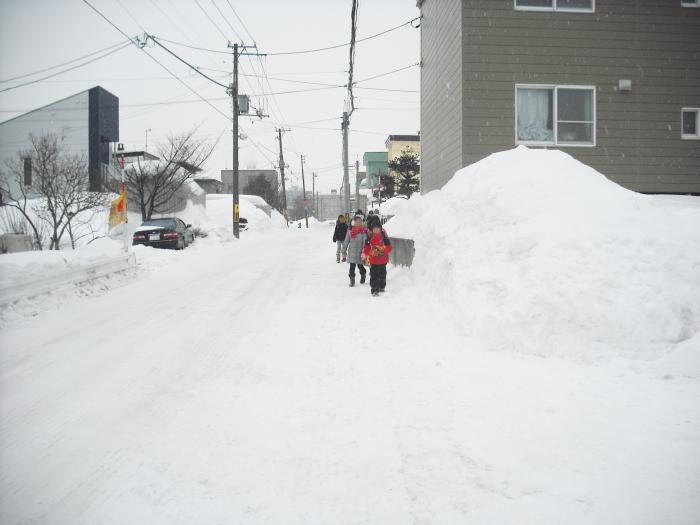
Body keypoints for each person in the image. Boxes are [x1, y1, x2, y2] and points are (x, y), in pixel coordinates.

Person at [363, 223, 392, 296]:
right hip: (373, 261)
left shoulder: (384, 238)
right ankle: (374, 289)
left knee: (382, 275)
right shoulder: (369, 238)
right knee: (374, 275)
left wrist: (382, 249)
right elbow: (366, 249)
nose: (376, 230)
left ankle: (382, 286)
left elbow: (389, 248)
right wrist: (371, 252)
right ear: (372, 230)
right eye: (374, 228)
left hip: (383, 261)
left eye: (378, 228)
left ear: (380, 229)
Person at [341, 216, 368, 287]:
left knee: (360, 267)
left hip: (360, 254)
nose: (359, 223)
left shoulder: (363, 232)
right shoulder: (350, 232)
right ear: (354, 222)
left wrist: (364, 252)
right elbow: (346, 242)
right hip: (352, 253)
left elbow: (365, 243)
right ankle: (352, 280)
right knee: (352, 268)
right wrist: (343, 251)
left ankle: (363, 274)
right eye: (357, 221)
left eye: (360, 222)